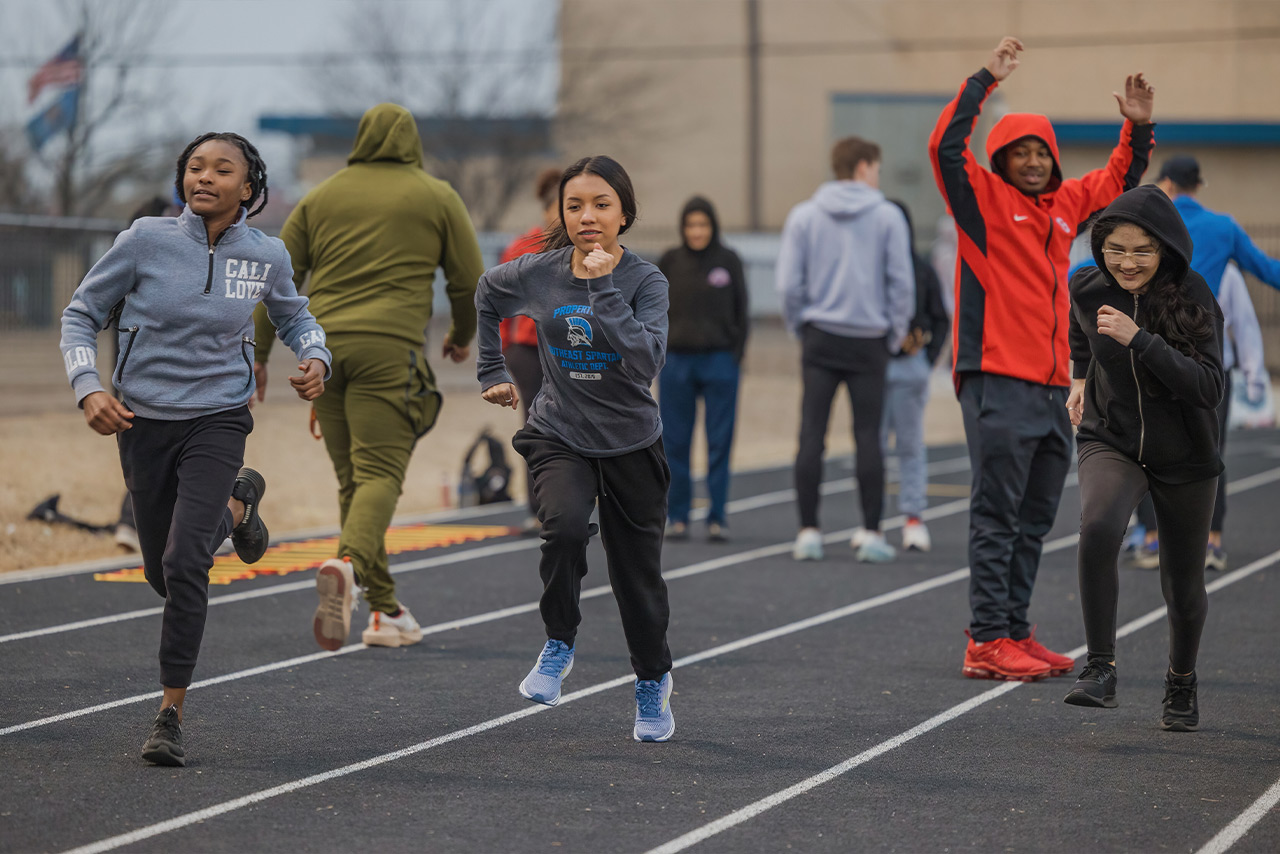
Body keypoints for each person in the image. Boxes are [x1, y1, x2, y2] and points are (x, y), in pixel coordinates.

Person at [60, 132, 331, 766]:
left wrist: (316, 355)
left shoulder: (266, 254)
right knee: (162, 573)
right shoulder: (143, 240)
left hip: (219, 417)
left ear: (248, 187)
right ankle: (239, 508)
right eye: (194, 167)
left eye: (221, 169)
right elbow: (80, 313)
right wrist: (86, 388)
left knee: (186, 563)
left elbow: (296, 316)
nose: (203, 177)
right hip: (142, 421)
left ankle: (169, 715)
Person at [929, 36, 1155, 681]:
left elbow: (1117, 181)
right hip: (996, 378)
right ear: (1001, 160)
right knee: (997, 513)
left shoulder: (1061, 210)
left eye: (1041, 153)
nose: (1032, 161)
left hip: (1052, 387)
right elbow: (946, 148)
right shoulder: (983, 204)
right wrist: (983, 80)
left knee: (1034, 517)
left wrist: (1136, 129)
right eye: (1019, 152)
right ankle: (985, 639)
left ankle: (1016, 631)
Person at [254, 104, 484, 652]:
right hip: (389, 350)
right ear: (412, 143)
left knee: (355, 485)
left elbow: (275, 276)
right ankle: (351, 568)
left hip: (323, 352)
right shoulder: (437, 195)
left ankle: (386, 611)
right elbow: (468, 279)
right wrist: (460, 334)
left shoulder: (320, 196)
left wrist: (258, 354)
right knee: (380, 474)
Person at [475, 155, 677, 742]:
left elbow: (645, 363)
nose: (587, 216)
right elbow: (488, 293)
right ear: (561, 214)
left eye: (601, 204)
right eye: (574, 205)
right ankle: (559, 642)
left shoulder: (646, 281)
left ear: (624, 213)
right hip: (559, 431)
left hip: (632, 442)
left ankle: (652, 680)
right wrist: (492, 367)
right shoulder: (537, 272)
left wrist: (602, 288)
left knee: (637, 580)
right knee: (562, 527)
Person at [1063, 185, 1224, 732]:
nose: (1128, 263)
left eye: (1142, 251)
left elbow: (1207, 387)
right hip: (1112, 437)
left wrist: (1140, 340)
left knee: (1182, 588)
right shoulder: (1086, 285)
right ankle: (1100, 667)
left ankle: (1181, 679)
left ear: (1166, 252)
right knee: (1100, 526)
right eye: (1116, 250)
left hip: (1185, 454)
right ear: (1100, 247)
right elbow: (1082, 335)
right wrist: (1079, 379)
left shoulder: (1192, 293)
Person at [777, 136, 915, 564]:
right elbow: (901, 283)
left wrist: (800, 324)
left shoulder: (803, 215)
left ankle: (808, 532)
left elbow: (787, 284)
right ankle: (872, 532)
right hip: (869, 338)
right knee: (868, 436)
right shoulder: (888, 216)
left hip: (820, 333)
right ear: (862, 168)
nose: (877, 176)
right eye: (875, 168)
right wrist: (893, 333)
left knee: (811, 435)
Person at [1155, 155, 1280, 571]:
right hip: (1208, 363)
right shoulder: (1224, 227)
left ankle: (1152, 538)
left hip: (1155, 356)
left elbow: (1104, 266)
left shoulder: (1153, 221)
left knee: (1147, 448)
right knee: (1211, 452)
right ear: (1198, 186)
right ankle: (1212, 540)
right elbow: (1267, 272)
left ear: (1168, 184)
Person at [1128, 262, 1266, 570]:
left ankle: (1201, 538)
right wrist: (1254, 377)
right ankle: (1164, 536)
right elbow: (1243, 322)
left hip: (1208, 373)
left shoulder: (1215, 273)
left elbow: (1241, 321)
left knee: (1205, 450)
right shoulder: (1151, 266)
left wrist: (1254, 375)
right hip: (1160, 368)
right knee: (1153, 450)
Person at [658, 196, 749, 542]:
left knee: (719, 442)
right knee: (675, 442)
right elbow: (652, 310)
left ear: (713, 227)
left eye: (703, 225)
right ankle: (678, 516)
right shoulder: (669, 261)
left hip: (720, 362)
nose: (697, 232)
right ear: (683, 228)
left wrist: (735, 356)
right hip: (676, 363)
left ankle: (717, 517)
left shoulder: (729, 261)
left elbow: (743, 311)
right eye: (691, 225)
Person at [882, 200, 950, 552]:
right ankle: (872, 520)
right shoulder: (866, 269)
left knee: (909, 444)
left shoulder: (921, 269)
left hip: (909, 371)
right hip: (872, 369)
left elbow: (940, 317)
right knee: (872, 446)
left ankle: (913, 519)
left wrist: (926, 355)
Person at [500, 166, 563, 534]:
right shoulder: (521, 247)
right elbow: (498, 300)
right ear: (546, 209)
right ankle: (536, 507)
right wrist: (503, 347)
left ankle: (569, 503)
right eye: (563, 206)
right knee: (535, 425)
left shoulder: (582, 247)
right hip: (526, 350)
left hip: (567, 349)